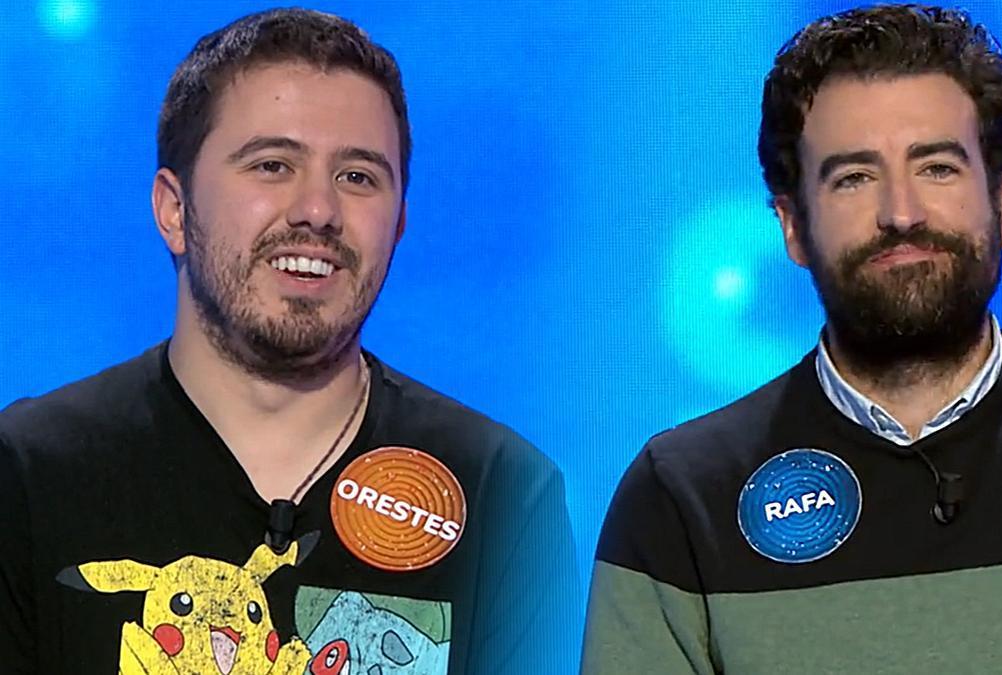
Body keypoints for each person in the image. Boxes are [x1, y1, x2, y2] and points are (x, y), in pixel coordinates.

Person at [581, 4, 1002, 673]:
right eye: (854, 177)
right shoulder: (681, 496)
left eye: (937, 168)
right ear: (792, 226)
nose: (901, 213)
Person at [0, 8, 577, 674]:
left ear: (398, 225)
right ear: (174, 210)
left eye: (357, 177)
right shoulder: (30, 474)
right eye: (273, 165)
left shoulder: (502, 495)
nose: (318, 211)